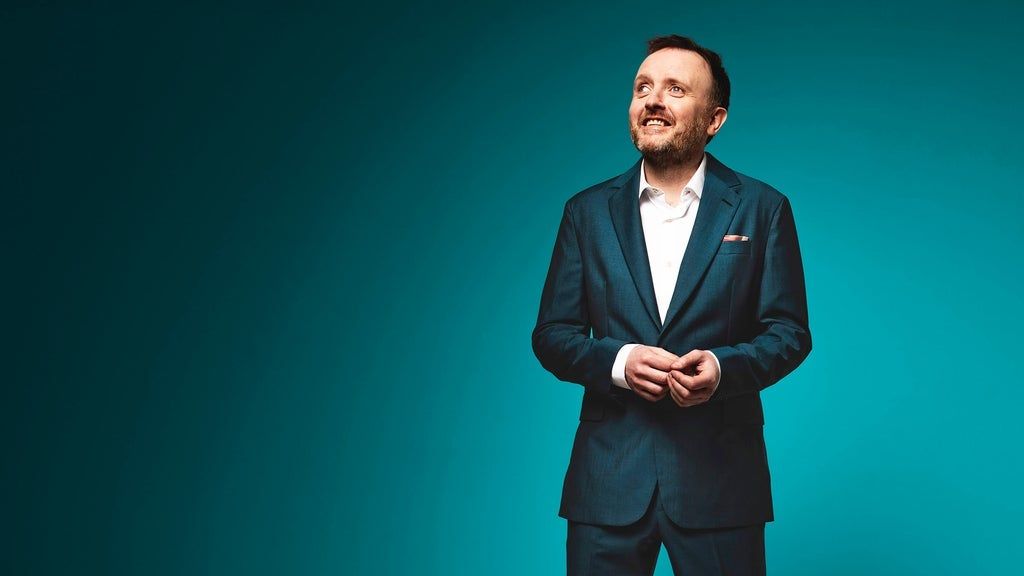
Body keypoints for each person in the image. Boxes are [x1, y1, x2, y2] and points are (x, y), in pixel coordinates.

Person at [532, 35, 812, 576]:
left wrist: (722, 370)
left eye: (675, 89)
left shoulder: (764, 208)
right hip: (607, 481)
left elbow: (789, 333)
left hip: (722, 481)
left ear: (714, 120)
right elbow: (552, 334)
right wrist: (620, 362)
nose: (653, 100)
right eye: (643, 88)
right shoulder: (585, 212)